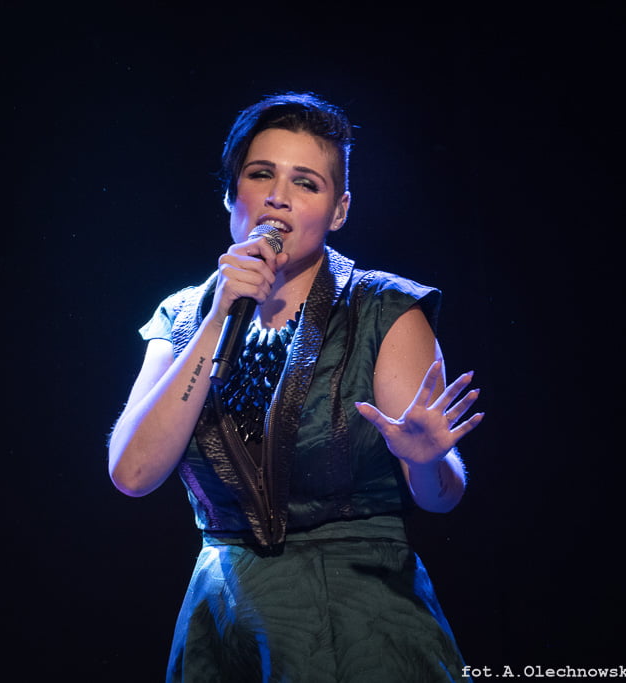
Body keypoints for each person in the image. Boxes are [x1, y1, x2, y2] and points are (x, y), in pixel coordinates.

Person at [108, 92, 484, 682]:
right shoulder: (182, 318)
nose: (278, 196)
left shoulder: (382, 309)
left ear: (338, 210)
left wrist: (428, 460)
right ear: (232, 194)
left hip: (360, 621)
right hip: (226, 625)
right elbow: (132, 474)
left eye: (306, 183)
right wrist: (217, 316)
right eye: (261, 174)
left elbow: (441, 497)